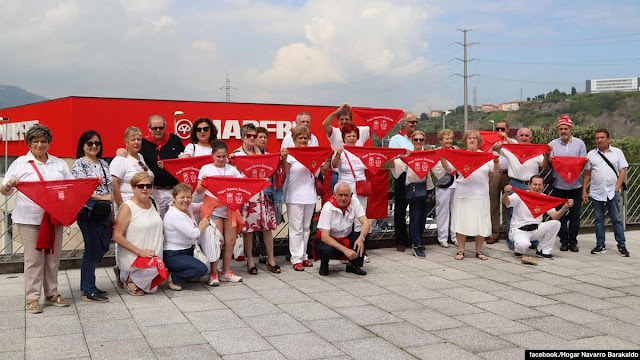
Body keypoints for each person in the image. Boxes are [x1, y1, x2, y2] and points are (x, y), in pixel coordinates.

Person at [1, 125, 72, 313]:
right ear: (29, 143)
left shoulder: (59, 163)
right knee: (34, 259)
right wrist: (8, 185)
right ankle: (32, 297)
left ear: (49, 143)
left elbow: (69, 186)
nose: (40, 145)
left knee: (53, 258)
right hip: (29, 218)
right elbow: (5, 189)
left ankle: (52, 294)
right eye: (36, 141)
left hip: (54, 217)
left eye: (43, 141)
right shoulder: (20, 164)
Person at [232, 124, 281, 275]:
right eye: (249, 136)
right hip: (248, 196)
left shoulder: (261, 151)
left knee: (267, 228)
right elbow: (235, 176)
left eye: (254, 135)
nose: (252, 138)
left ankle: (270, 259)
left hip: (262, 194)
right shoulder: (236, 155)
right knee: (248, 230)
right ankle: (250, 260)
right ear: (242, 137)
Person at [281, 125, 331, 271]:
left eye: (305, 138)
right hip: (295, 195)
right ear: (294, 139)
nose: (303, 140)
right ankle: (295, 258)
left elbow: (323, 170)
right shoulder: (290, 154)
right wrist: (283, 159)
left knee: (306, 228)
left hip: (310, 195)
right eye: (300, 138)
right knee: (295, 228)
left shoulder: (313, 153)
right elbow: (285, 171)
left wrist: (328, 159)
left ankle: (304, 256)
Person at [72, 130, 113, 303]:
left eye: (97, 143)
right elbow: (80, 189)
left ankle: (86, 285)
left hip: (104, 210)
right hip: (87, 211)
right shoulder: (79, 164)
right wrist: (103, 197)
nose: (94, 146)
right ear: (83, 146)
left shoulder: (104, 163)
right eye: (90, 143)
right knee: (91, 247)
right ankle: (89, 289)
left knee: (103, 244)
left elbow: (110, 187)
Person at [196, 141, 245, 284]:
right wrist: (203, 183)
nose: (221, 159)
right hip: (214, 208)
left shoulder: (232, 170)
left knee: (230, 241)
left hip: (230, 209)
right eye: (218, 156)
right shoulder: (206, 169)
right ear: (212, 155)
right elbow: (198, 190)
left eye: (224, 156)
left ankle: (226, 271)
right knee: (216, 242)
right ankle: (213, 273)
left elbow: (242, 186)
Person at [451, 130, 500, 260]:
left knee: (480, 223)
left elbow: (496, 172)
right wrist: (443, 157)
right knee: (461, 222)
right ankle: (461, 250)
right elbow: (448, 168)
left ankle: (479, 250)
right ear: (465, 141)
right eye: (469, 138)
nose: (472, 140)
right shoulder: (460, 155)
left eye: (474, 138)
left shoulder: (485, 156)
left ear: (479, 141)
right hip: (463, 194)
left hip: (481, 194)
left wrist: (496, 160)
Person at [112, 172, 164, 295]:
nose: (145, 189)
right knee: (146, 288)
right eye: (140, 186)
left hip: (153, 256)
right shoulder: (127, 207)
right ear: (133, 188)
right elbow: (116, 236)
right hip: (135, 256)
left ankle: (129, 275)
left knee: (153, 289)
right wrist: (140, 252)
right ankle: (126, 276)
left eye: (148, 186)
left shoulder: (153, 203)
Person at [503, 176, 573, 265]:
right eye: (534, 184)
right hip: (519, 230)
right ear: (529, 185)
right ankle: (518, 249)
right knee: (523, 245)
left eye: (540, 185)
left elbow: (555, 216)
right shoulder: (521, 195)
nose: (537, 187)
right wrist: (506, 193)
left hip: (536, 229)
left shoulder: (544, 198)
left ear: (543, 186)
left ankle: (543, 250)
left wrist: (565, 207)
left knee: (556, 224)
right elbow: (506, 201)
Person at [582, 128, 630, 257]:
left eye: (602, 137)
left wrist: (617, 188)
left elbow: (622, 171)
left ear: (608, 139)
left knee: (616, 219)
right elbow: (587, 173)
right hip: (597, 191)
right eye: (597, 138)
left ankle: (621, 245)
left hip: (612, 191)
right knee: (598, 219)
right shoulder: (591, 154)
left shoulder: (617, 153)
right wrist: (584, 190)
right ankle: (600, 244)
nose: (600, 140)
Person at [501, 127, 550, 249]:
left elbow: (544, 165)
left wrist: (547, 155)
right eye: (521, 135)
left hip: (532, 186)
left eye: (526, 135)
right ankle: (513, 240)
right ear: (517, 138)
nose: (524, 138)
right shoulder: (510, 149)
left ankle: (533, 239)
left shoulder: (536, 151)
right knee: (512, 213)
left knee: (534, 213)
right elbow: (496, 148)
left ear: (531, 138)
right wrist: (500, 140)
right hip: (515, 184)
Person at [390, 130, 435, 258]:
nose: (419, 142)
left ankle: (418, 240)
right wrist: (394, 158)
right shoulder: (408, 155)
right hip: (414, 188)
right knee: (415, 217)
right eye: (416, 140)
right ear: (412, 141)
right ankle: (416, 245)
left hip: (426, 186)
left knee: (423, 218)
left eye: (421, 140)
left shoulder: (427, 154)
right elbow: (396, 169)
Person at [163, 183, 211, 291]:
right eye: (182, 197)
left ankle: (185, 273)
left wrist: (217, 198)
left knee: (202, 267)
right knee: (202, 269)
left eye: (189, 197)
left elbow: (201, 206)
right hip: (173, 254)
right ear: (174, 198)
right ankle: (173, 277)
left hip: (187, 250)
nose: (186, 200)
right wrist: (202, 225)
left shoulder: (188, 208)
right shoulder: (174, 215)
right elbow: (193, 233)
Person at [315, 182, 370, 276]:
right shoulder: (328, 207)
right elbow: (325, 237)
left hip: (346, 237)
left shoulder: (355, 201)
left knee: (364, 235)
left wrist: (361, 238)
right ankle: (324, 266)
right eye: (340, 195)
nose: (343, 198)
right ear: (334, 195)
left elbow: (366, 223)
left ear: (351, 195)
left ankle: (354, 265)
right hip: (330, 240)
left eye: (346, 195)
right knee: (326, 249)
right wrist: (345, 250)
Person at [549, 116, 587, 252]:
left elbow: (583, 163)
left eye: (566, 128)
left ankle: (573, 241)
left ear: (571, 129)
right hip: (559, 185)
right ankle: (563, 240)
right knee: (561, 216)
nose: (563, 131)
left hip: (576, 186)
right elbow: (549, 163)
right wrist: (550, 159)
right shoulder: (552, 144)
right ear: (558, 130)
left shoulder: (580, 144)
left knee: (575, 215)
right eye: (561, 129)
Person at [140, 115, 185, 218]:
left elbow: (184, 159)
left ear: (165, 126)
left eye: (161, 127)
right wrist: (121, 151)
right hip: (154, 191)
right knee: (156, 221)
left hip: (173, 190)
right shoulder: (143, 143)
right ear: (149, 128)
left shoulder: (174, 139)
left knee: (174, 221)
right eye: (154, 128)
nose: (158, 130)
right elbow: (132, 154)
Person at [388, 112, 417, 252]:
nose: (414, 124)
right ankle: (400, 240)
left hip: (416, 176)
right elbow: (391, 157)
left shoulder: (417, 138)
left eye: (415, 122)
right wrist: (403, 155)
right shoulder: (395, 139)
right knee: (400, 209)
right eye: (412, 122)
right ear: (403, 123)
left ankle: (415, 238)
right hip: (402, 176)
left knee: (416, 209)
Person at [110, 126, 154, 210]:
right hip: (127, 205)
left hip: (143, 204)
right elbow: (114, 183)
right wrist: (120, 205)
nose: (136, 142)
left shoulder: (141, 157)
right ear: (126, 142)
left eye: (138, 139)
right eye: (133, 140)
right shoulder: (120, 159)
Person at [488, 121, 516, 245]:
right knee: (493, 204)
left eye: (502, 128)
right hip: (494, 174)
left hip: (508, 174)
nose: (499, 131)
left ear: (507, 129)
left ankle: (509, 231)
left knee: (508, 204)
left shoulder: (513, 142)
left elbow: (517, 151)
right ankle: (494, 233)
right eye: (497, 128)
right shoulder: (492, 142)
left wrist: (506, 140)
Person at [331, 124, 370, 211]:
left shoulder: (363, 151)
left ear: (357, 138)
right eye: (349, 136)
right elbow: (334, 165)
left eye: (354, 136)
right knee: (344, 215)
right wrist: (337, 155)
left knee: (360, 217)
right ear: (344, 138)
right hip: (344, 190)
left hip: (360, 189)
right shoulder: (340, 151)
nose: (351, 138)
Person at [431, 129, 458, 248]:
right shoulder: (436, 152)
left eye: (451, 138)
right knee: (443, 211)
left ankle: (455, 236)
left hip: (457, 183)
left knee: (456, 211)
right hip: (444, 184)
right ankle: (442, 238)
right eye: (446, 139)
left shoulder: (456, 150)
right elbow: (442, 169)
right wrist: (442, 158)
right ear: (441, 140)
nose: (449, 141)